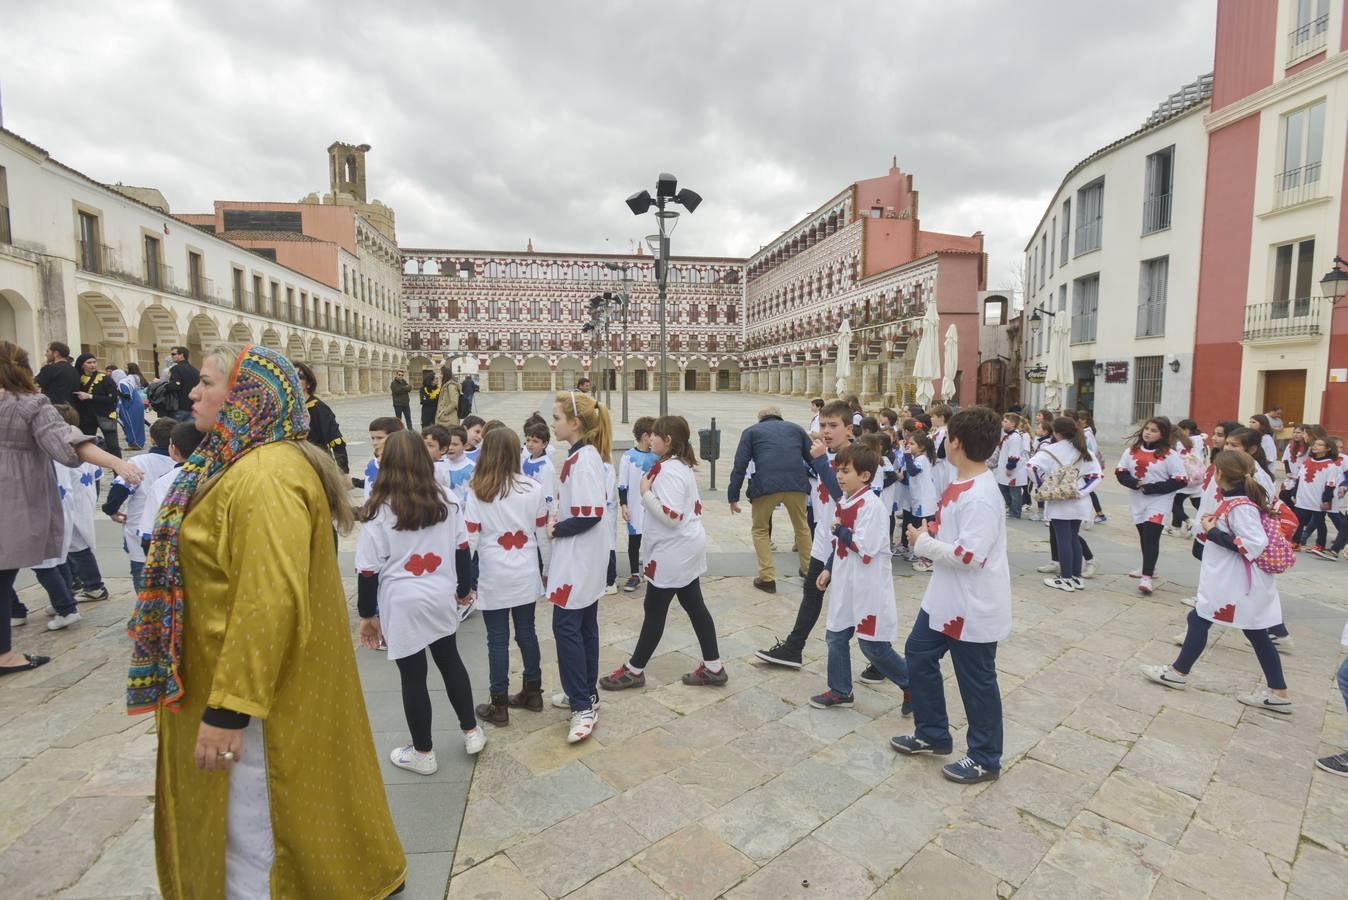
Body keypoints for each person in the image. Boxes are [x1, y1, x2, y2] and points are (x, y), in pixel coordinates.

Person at [126, 342, 405, 897]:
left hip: (256, 713)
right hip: (242, 687)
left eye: (207, 382)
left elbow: (267, 600)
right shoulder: (240, 463)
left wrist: (230, 710)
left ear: (246, 397)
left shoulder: (265, 477)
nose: (193, 392)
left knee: (255, 837)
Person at [2, 342, 142, 668]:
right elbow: (68, 441)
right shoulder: (29, 405)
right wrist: (117, 464)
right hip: (13, 501)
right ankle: (4, 654)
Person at [891, 406, 1011, 784]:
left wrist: (922, 542)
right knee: (918, 654)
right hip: (943, 598)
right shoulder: (961, 484)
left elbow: (969, 555)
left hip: (972, 604)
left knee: (976, 679)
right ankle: (932, 732)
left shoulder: (981, 495)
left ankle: (985, 757)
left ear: (955, 442)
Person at [357, 429, 485, 767]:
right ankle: (471, 731)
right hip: (439, 592)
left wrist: (367, 614)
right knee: (450, 661)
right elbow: (462, 548)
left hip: (401, 600)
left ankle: (423, 753)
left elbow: (368, 570)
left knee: (413, 677)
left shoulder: (379, 508)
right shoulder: (446, 499)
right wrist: (462, 590)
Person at [1141, 452, 1293, 714]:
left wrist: (1214, 533)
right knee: (1253, 631)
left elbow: (1254, 544)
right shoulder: (1235, 501)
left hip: (1236, 582)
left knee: (1200, 618)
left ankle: (1178, 672)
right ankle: (1278, 691)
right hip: (1232, 580)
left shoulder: (1241, 506)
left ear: (1220, 474)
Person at [600, 416, 727, 692]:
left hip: (674, 550)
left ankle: (634, 670)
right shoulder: (676, 465)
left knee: (655, 609)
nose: (650, 439)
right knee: (694, 605)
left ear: (667, 440)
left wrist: (645, 493)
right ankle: (714, 666)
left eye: (655, 436)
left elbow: (671, 516)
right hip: (683, 546)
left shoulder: (669, 471)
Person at [808, 443, 910, 711]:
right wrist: (829, 568)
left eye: (845, 471)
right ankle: (841, 690)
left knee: (872, 646)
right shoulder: (845, 500)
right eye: (838, 470)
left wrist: (841, 530)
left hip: (867, 584)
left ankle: (912, 683)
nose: (839, 476)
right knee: (836, 636)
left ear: (865, 475)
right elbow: (839, 543)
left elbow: (865, 548)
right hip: (844, 580)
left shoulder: (872, 506)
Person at [756, 400, 853, 668]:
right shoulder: (826, 455)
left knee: (856, 601)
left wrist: (820, 462)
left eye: (833, 426)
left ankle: (882, 658)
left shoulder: (857, 457)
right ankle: (793, 647)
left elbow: (843, 496)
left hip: (847, 539)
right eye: (823, 425)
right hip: (824, 536)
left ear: (849, 428)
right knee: (812, 592)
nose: (826, 431)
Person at [464, 427, 549, 725]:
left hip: (494, 574)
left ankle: (498, 703)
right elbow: (542, 535)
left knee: (497, 640)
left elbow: (470, 540)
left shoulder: (477, 489)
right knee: (527, 632)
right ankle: (532, 690)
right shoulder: (533, 488)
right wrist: (548, 570)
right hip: (525, 571)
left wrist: (460, 579)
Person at [545, 389, 612, 743]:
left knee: (567, 626)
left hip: (579, 556)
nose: (552, 425)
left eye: (556, 419)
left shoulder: (583, 459)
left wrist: (556, 527)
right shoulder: (582, 456)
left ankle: (582, 706)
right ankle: (585, 693)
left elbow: (589, 513)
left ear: (575, 423)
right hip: (583, 555)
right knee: (583, 624)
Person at [727, 405, 814, 593]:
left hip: (766, 486)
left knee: (760, 529)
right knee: (802, 527)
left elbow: (740, 465)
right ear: (780, 417)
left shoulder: (751, 432)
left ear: (760, 419)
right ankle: (809, 572)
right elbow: (813, 458)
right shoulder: (797, 429)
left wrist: (733, 496)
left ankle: (767, 578)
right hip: (796, 484)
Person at [1027, 416, 1102, 593]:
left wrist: (1041, 484)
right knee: (1073, 537)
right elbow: (1097, 475)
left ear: (1056, 433)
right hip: (1079, 500)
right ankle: (1076, 577)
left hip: (1059, 500)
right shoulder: (1083, 450)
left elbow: (1031, 467)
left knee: (1063, 540)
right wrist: (1082, 491)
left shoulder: (1050, 450)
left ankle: (1066, 578)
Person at [103, 417, 177, 591]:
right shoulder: (183, 464)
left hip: (140, 527)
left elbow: (120, 489)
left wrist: (111, 509)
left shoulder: (138, 462)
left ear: (152, 438)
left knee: (141, 573)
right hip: (172, 529)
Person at [1115, 418, 1187, 595]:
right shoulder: (1131, 451)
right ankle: (1150, 566)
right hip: (1137, 499)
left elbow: (1181, 479)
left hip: (1160, 501)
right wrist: (1135, 484)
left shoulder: (1170, 455)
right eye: (1146, 428)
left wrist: (1153, 488)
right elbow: (1120, 472)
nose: (1148, 432)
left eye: (1154, 430)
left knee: (1151, 536)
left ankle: (1146, 577)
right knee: (1143, 534)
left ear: (1162, 434)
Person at [617, 417, 659, 592]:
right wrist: (624, 505)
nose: (655, 439)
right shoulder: (627, 457)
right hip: (634, 506)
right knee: (634, 541)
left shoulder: (657, 457)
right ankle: (635, 574)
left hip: (652, 507)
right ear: (645, 436)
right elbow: (622, 484)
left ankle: (651, 572)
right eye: (653, 435)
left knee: (652, 540)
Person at [294, 361, 350, 476]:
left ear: (308, 383)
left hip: (317, 466)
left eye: (299, 377)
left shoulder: (319, 408)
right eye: (291, 377)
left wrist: (343, 473)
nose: (294, 381)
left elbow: (336, 442)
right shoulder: (285, 407)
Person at [1290, 434, 1342, 556]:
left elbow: (1330, 485)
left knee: (1319, 522)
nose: (1315, 446)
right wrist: (1294, 493)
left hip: (1318, 499)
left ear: (1328, 448)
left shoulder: (1331, 465)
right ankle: (1296, 542)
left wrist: (1326, 500)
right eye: (1315, 444)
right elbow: (1299, 478)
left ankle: (1320, 545)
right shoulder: (1307, 461)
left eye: (1320, 445)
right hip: (1303, 497)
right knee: (1299, 521)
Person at [72, 352, 121, 457]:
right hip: (86, 417)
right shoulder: (77, 379)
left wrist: (90, 396)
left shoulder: (104, 378)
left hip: (105, 415)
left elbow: (112, 397)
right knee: (86, 446)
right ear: (82, 365)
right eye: (89, 362)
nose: (92, 365)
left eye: (94, 362)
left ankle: (118, 472)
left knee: (113, 446)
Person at [993, 412, 1030, 518]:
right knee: (1003, 488)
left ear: (1013, 424)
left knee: (1014, 492)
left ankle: (1015, 512)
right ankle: (1011, 507)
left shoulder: (1015, 437)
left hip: (1014, 470)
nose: (1002, 423)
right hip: (1004, 468)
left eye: (1005, 421)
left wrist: (1010, 467)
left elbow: (1014, 454)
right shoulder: (1007, 436)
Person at [362, 416, 404, 500]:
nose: (374, 443)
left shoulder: (410, 464)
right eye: (372, 438)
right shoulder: (371, 465)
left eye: (380, 438)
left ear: (396, 438)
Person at [35, 341, 79, 405]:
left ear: (56, 353)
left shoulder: (49, 369)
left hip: (53, 410)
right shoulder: (74, 370)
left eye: (48, 351)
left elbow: (33, 384)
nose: (45, 354)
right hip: (70, 410)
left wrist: (42, 369)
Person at [116, 362, 147, 450]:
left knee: (131, 424)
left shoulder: (126, 380)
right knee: (138, 424)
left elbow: (127, 394)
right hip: (138, 402)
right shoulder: (137, 377)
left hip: (131, 404)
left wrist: (117, 392)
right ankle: (138, 442)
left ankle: (135, 444)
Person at [167, 346, 199, 423]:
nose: (171, 356)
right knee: (189, 432)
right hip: (193, 407)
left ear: (181, 355)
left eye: (173, 354)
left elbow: (175, 386)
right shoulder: (195, 370)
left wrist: (165, 386)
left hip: (180, 407)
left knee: (176, 432)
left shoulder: (176, 368)